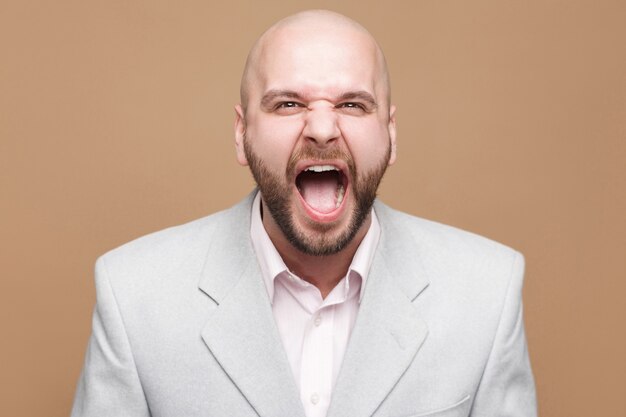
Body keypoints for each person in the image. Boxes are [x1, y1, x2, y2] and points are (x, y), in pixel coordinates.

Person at [71, 10, 537, 417]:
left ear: (391, 134)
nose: (320, 128)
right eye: (288, 104)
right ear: (241, 133)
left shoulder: (487, 294)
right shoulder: (133, 296)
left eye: (352, 104)